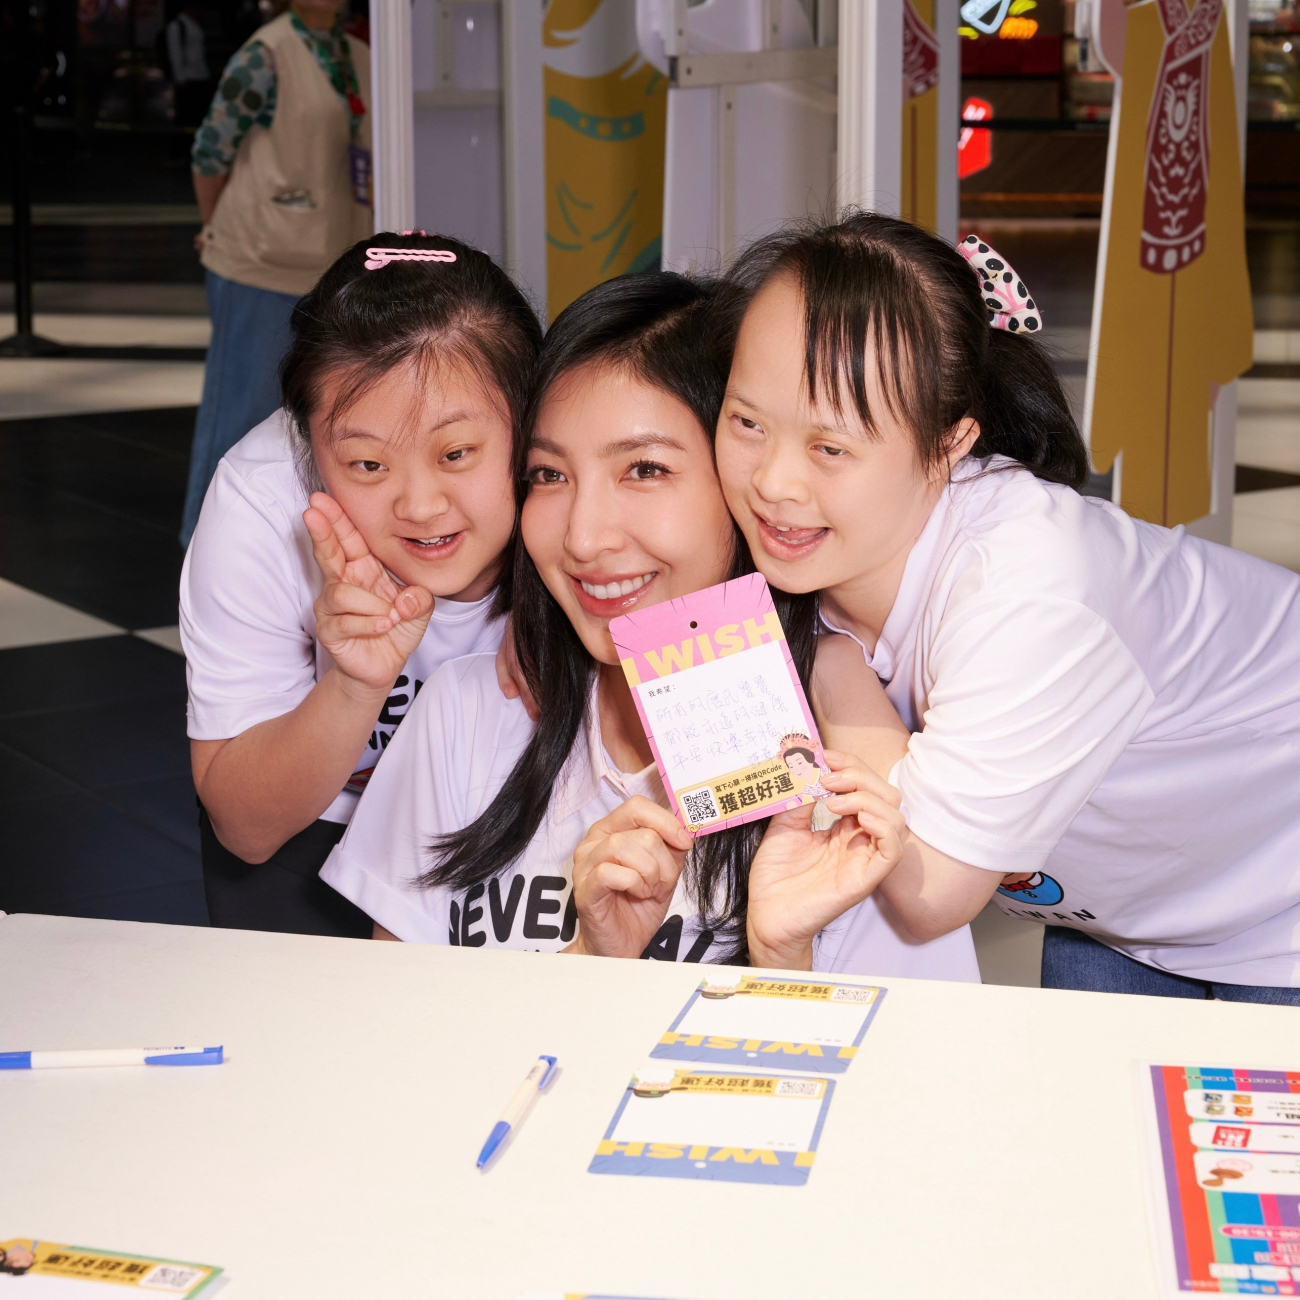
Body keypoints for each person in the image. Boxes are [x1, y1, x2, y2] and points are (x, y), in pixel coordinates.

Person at [321, 270, 980, 979]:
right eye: (549, 475)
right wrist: (591, 961)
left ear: (748, 485)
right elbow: (397, 1025)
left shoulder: (851, 767)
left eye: (644, 469)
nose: (583, 538)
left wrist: (781, 957)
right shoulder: (465, 713)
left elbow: (913, 1050)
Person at [713, 209, 1300, 1002]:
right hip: (1124, 913)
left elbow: (930, 886)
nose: (773, 482)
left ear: (951, 443)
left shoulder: (1029, 591)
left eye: (830, 448)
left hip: (1279, 905)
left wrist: (829, 660)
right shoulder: (812, 547)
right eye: (747, 422)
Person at [180, 231, 541, 936]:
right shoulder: (262, 501)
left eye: (456, 453)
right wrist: (353, 684)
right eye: (368, 465)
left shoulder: (587, 494)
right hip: (317, 831)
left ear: (530, 418)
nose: (421, 506)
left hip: (530, 823)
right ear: (308, 442)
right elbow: (245, 829)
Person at [181, 0, 373, 546]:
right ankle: (207, 549)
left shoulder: (357, 53)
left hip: (334, 261)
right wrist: (212, 224)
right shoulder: (264, 56)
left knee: (322, 419)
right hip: (260, 263)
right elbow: (210, 152)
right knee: (241, 416)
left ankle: (281, 551)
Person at [166, 1, 212, 129]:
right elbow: (175, 54)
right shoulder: (177, 25)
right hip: (188, 78)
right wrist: (180, 79)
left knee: (199, 116)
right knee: (187, 117)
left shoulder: (193, 24)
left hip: (201, 75)